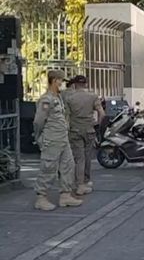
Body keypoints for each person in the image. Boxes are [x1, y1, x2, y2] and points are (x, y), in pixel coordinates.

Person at [33, 70, 83, 211]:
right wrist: (38, 137)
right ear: (54, 80)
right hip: (52, 139)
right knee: (48, 168)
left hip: (62, 139)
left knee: (68, 165)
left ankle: (65, 195)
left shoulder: (59, 97)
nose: (62, 83)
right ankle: (41, 197)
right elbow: (38, 121)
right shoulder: (46, 99)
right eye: (61, 80)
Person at [65, 75, 105, 195]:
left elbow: (66, 117)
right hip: (89, 129)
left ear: (75, 84)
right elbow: (102, 113)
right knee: (87, 156)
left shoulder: (69, 98)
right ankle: (86, 181)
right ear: (86, 84)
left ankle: (79, 184)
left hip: (75, 130)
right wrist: (97, 123)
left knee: (79, 158)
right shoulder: (93, 96)